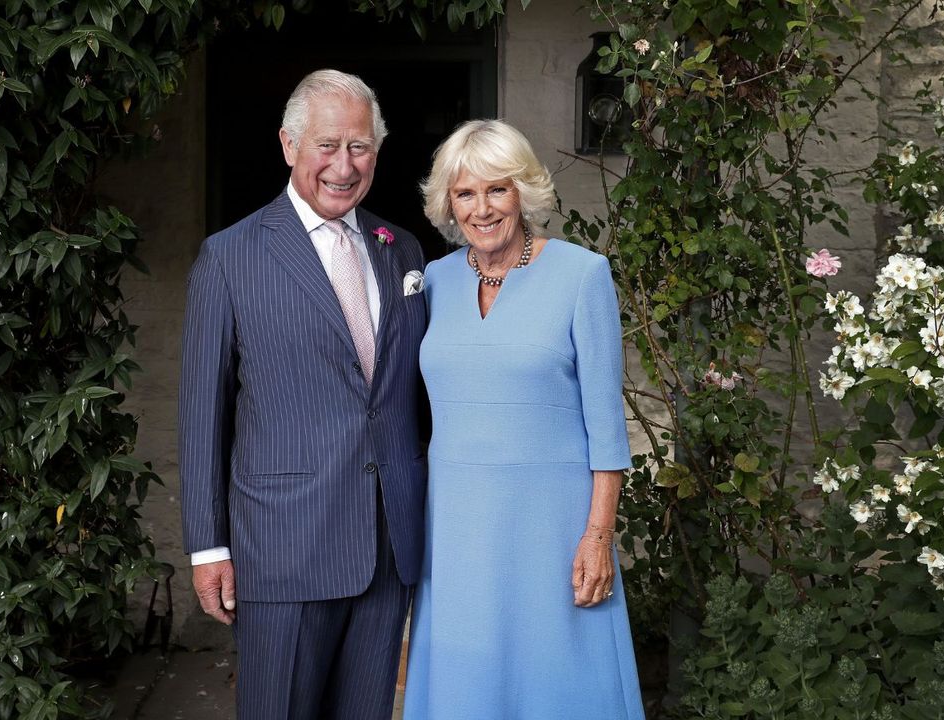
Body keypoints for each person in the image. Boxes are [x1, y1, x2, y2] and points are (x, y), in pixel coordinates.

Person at [179, 69, 429, 720]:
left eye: (361, 147)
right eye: (328, 145)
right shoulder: (229, 258)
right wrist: (209, 546)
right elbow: (203, 416)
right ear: (289, 146)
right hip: (282, 550)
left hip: (386, 547)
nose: (344, 165)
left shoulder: (401, 251)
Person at [402, 119, 645, 719]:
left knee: (557, 684)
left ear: (523, 193)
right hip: (454, 527)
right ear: (448, 203)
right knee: (466, 683)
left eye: (497, 190)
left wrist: (597, 537)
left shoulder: (582, 275)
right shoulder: (432, 282)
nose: (481, 209)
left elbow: (606, 428)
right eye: (465, 193)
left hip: (553, 526)